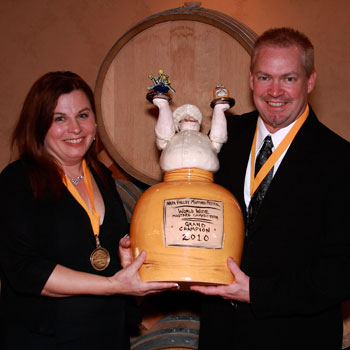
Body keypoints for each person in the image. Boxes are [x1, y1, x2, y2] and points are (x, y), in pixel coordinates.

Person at [190, 27, 350, 349]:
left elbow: (343, 270)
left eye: (288, 78)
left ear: (310, 81)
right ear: (251, 80)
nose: (275, 91)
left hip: (297, 337)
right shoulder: (221, 139)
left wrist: (255, 292)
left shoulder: (340, 160)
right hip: (220, 333)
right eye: (265, 77)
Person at [0, 71, 178, 349]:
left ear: (95, 123)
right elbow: (26, 271)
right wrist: (112, 286)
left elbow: (109, 261)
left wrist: (128, 262)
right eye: (60, 118)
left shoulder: (102, 177)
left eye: (83, 115)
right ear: (38, 126)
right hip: (44, 339)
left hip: (107, 335)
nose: (75, 129)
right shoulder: (17, 180)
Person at [153, 98, 230, 172]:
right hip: (174, 176)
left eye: (194, 119)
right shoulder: (171, 138)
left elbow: (219, 136)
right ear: (178, 125)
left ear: (199, 126)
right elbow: (163, 132)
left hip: (204, 177)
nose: (189, 117)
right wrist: (163, 106)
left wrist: (219, 110)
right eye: (185, 119)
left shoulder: (206, 138)